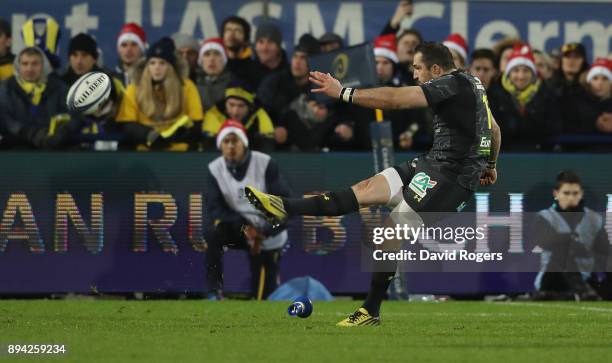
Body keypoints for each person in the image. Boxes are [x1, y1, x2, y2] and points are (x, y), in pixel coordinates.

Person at [244, 42, 501, 326]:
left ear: (436, 69)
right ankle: (284, 207)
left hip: (453, 178)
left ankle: (370, 312)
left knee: (390, 231)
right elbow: (494, 129)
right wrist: (490, 164)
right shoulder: (472, 82)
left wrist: (342, 93)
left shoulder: (449, 84)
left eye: (417, 68)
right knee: (366, 190)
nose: (414, 75)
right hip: (433, 163)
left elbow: (394, 99)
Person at [205, 119, 290, 300]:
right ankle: (214, 290)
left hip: (269, 231)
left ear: (244, 143)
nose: (230, 146)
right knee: (213, 233)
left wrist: (264, 232)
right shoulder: (215, 169)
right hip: (240, 230)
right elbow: (215, 209)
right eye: (226, 142)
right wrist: (245, 228)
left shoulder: (265, 164)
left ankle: (264, 289)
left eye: (234, 141)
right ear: (220, 145)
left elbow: (285, 205)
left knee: (264, 295)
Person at [529, 171, 609, 300]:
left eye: (575, 193)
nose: (571, 198)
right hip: (553, 280)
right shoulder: (544, 217)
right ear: (556, 194)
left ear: (581, 193)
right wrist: (576, 244)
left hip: (587, 279)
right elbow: (547, 241)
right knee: (562, 247)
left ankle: (584, 289)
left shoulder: (594, 219)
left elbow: (604, 251)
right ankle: (577, 288)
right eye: (566, 193)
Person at [116, 37, 203, 151]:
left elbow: (196, 121)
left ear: (170, 66)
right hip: (144, 151)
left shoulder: (187, 86)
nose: (157, 68)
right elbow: (127, 124)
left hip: (179, 151)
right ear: (147, 66)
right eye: (152, 63)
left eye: (162, 63)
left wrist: (178, 134)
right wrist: (150, 135)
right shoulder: (134, 89)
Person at [487, 43, 560, 150]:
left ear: (533, 74)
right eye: (516, 71)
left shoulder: (547, 95)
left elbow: (554, 127)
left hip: (540, 155)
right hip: (504, 155)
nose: (521, 76)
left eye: (526, 71)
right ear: (509, 74)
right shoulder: (494, 95)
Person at [0, 47, 73, 149]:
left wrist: (60, 133)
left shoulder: (59, 87)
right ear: (18, 66)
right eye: (25, 64)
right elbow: (5, 119)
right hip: (14, 149)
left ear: (43, 66)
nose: (29, 69)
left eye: (34, 64)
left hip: (52, 149)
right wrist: (30, 134)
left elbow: (71, 115)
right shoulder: (5, 87)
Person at [257, 34, 319, 147]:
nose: (297, 62)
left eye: (303, 58)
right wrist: (274, 128)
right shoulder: (274, 82)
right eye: (295, 56)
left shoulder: (320, 88)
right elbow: (261, 110)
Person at [203, 80, 275, 151]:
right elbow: (210, 149)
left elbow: (267, 148)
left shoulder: (259, 115)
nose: (235, 112)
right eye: (231, 105)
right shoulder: (215, 114)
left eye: (241, 106)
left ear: (250, 107)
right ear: (225, 103)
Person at [197, 37, 234, 111]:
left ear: (224, 59)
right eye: (207, 54)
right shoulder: (193, 85)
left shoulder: (234, 85)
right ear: (201, 60)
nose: (212, 59)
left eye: (217, 54)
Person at [221, 16, 257, 86]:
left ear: (246, 39)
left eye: (238, 31)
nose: (232, 34)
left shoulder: (254, 69)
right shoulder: (218, 65)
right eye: (228, 30)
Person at [252, 22, 289, 88]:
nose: (264, 48)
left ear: (278, 47)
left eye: (270, 42)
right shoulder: (247, 73)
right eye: (261, 42)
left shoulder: (291, 75)